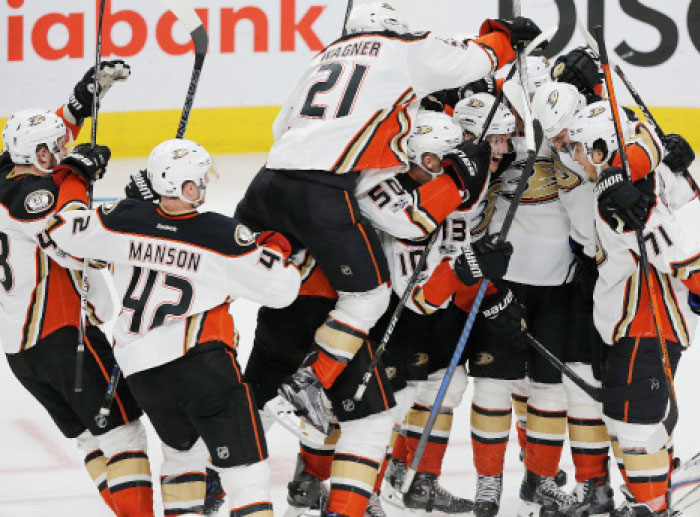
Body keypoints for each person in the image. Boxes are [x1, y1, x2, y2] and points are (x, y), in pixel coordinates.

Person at [234, 1, 542, 441]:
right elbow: (474, 59)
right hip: (322, 190)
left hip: (265, 184)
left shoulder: (323, 55)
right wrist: (504, 39)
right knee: (370, 295)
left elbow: (282, 127)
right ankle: (310, 383)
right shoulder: (403, 49)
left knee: (262, 290)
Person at [44, 139, 302, 517]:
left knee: (184, 460)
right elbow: (284, 290)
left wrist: (74, 175)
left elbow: (62, 226)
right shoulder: (220, 235)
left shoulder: (121, 219)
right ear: (187, 187)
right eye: (200, 180)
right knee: (245, 471)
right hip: (203, 366)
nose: (205, 185)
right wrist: (273, 247)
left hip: (145, 377)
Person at [1, 61, 157, 517]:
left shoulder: (7, 172)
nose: (64, 147)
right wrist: (77, 174)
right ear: (42, 158)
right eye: (57, 149)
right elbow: (74, 231)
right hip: (64, 337)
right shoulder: (32, 198)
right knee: (124, 434)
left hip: (21, 353)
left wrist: (80, 100)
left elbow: (40, 151)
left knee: (91, 437)